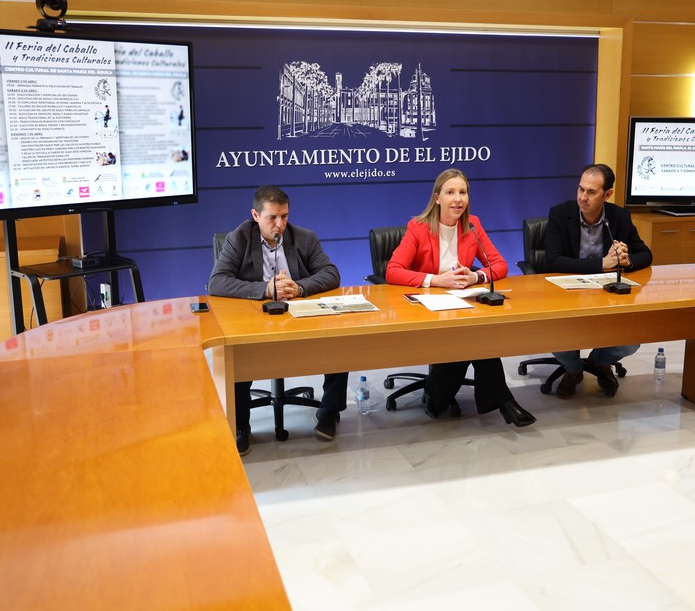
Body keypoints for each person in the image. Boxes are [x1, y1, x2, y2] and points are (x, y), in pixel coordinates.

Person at [385, 168, 536, 428]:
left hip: (460, 305)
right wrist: (435, 280)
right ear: (437, 197)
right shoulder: (418, 228)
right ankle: (493, 401)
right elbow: (392, 270)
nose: (458, 199)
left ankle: (450, 396)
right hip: (425, 307)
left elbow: (499, 265)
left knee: (475, 334)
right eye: (451, 192)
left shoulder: (472, 226)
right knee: (476, 338)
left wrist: (475, 277)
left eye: (463, 192)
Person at [208, 185, 348, 455]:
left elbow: (331, 273)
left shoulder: (304, 237)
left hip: (298, 317)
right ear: (255, 215)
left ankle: (329, 411)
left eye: (284, 216)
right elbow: (216, 282)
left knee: (337, 340)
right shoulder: (239, 238)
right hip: (253, 320)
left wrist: (298, 288)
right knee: (237, 354)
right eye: (272, 217)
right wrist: (265, 289)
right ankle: (241, 426)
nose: (280, 224)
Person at [544, 163, 653, 398]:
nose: (583, 197)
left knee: (630, 342)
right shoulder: (560, 214)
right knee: (551, 334)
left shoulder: (619, 217)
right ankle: (573, 370)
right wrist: (601, 264)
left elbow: (645, 254)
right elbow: (552, 261)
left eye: (591, 192)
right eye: (580, 189)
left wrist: (625, 260)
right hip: (567, 296)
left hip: (608, 297)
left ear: (607, 194)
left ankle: (598, 362)